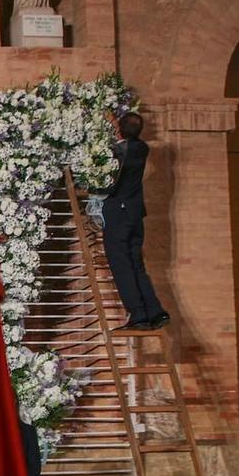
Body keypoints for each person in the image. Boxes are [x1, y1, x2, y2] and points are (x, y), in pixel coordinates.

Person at [99, 111, 169, 331]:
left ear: (120, 130)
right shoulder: (142, 148)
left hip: (119, 214)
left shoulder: (121, 153)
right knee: (136, 265)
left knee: (121, 265)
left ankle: (137, 313)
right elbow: (127, 141)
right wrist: (116, 126)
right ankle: (156, 312)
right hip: (135, 215)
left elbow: (115, 157)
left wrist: (111, 128)